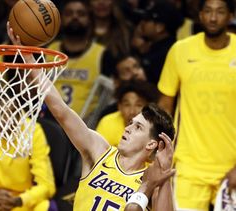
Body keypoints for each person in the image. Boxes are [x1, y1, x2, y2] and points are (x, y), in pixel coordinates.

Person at [8, 24, 176, 211]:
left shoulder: (151, 178)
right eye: (131, 123)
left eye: (138, 127)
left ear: (151, 144)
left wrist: (164, 176)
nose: (127, 128)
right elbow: (61, 111)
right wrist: (30, 60)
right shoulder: (100, 151)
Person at [158, 0, 236, 210]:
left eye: (220, 12)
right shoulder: (180, 50)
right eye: (208, 11)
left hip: (232, 164)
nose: (213, 17)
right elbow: (164, 106)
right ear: (200, 15)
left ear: (230, 16)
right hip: (188, 167)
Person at [46, 0, 106, 117]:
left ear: (90, 19)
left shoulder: (103, 54)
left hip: (87, 125)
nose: (75, 17)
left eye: (81, 14)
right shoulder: (48, 51)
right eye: (69, 13)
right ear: (61, 19)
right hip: (50, 124)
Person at [132, 0, 184, 84]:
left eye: (147, 20)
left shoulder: (165, 55)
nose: (142, 23)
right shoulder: (156, 48)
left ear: (159, 27)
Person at [96, 80, 159, 147]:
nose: (132, 112)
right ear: (119, 106)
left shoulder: (154, 129)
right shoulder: (107, 122)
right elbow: (97, 153)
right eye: (127, 105)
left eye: (139, 105)